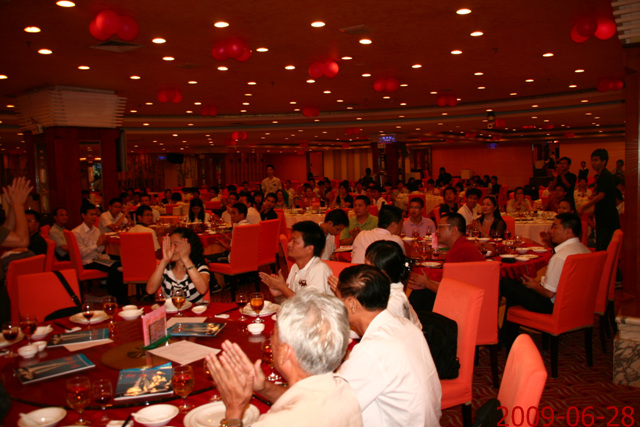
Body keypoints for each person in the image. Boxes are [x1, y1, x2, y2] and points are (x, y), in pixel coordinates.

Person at [205, 289, 362, 427]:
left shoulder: (276, 422)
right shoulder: (344, 390)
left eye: (274, 336)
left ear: (285, 352)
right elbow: (304, 402)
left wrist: (233, 413)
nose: (271, 341)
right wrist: (263, 387)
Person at [336, 265, 441, 426]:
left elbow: (334, 405)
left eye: (338, 300)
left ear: (352, 304)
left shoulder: (373, 350)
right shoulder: (406, 326)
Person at [500, 213, 590, 346]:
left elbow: (548, 293)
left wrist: (534, 286)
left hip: (553, 306)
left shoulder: (560, 257)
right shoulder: (585, 250)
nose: (551, 231)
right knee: (518, 290)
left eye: (555, 227)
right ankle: (506, 336)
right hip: (575, 304)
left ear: (568, 232)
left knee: (506, 283)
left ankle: (505, 337)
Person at [408, 213, 484, 312]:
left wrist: (427, 283)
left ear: (454, 230)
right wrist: (426, 282)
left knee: (419, 297)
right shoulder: (463, 245)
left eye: (440, 227)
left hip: (466, 302)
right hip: (472, 297)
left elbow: (450, 290)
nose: (437, 231)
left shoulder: (458, 251)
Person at [259, 221, 332, 298]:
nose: (289, 244)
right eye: (291, 240)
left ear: (309, 249)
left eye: (294, 241)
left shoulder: (319, 269)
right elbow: (288, 302)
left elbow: (311, 304)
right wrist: (278, 294)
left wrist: (283, 288)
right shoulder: (295, 267)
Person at [73, 203, 126, 304]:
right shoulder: (77, 232)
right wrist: (97, 245)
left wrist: (102, 244)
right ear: (83, 215)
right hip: (87, 261)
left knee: (121, 261)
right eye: (91, 214)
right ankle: (119, 299)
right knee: (115, 267)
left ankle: (117, 296)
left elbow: (99, 250)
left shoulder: (96, 230)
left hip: (97, 257)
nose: (94, 217)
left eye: (96, 214)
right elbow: (81, 253)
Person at [365, 241, 422, 329]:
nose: (364, 272)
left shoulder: (392, 302)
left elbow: (369, 329)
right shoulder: (385, 290)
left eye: (368, 268)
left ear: (383, 274)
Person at [146, 227, 210, 303]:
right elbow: (150, 290)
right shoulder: (166, 267)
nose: (171, 249)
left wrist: (186, 260)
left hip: (194, 310)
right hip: (170, 310)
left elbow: (202, 290)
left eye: (175, 245)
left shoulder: (199, 267)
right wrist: (164, 260)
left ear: (189, 246)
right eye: (170, 244)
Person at [578, 149, 621, 251]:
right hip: (605, 215)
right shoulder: (602, 175)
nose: (593, 163)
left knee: (605, 246)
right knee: (602, 244)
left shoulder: (605, 176)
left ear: (603, 162)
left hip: (607, 217)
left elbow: (601, 196)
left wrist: (583, 207)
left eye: (596, 160)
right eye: (592, 160)